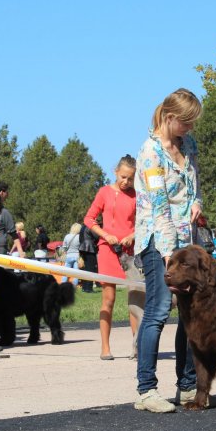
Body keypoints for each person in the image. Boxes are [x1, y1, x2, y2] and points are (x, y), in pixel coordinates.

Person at [133, 88, 201, 413]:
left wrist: (197, 203)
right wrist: (170, 254)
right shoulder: (150, 152)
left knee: (190, 314)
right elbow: (159, 207)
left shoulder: (189, 146)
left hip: (188, 240)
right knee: (159, 310)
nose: (190, 130)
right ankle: (146, 390)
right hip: (157, 241)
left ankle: (187, 386)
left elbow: (194, 186)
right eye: (186, 123)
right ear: (171, 118)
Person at [84, 154, 138, 360]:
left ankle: (137, 346)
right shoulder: (104, 192)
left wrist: (132, 236)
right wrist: (106, 235)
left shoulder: (137, 196)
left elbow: (144, 223)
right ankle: (105, 348)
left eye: (130, 179)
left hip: (130, 252)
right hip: (108, 250)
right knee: (108, 299)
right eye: (123, 177)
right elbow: (89, 219)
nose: (126, 182)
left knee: (135, 300)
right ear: (116, 171)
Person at [77, 224, 98, 293]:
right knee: (90, 269)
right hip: (90, 248)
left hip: (83, 247)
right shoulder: (91, 226)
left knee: (85, 269)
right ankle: (89, 288)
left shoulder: (83, 226)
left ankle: (84, 287)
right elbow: (97, 236)